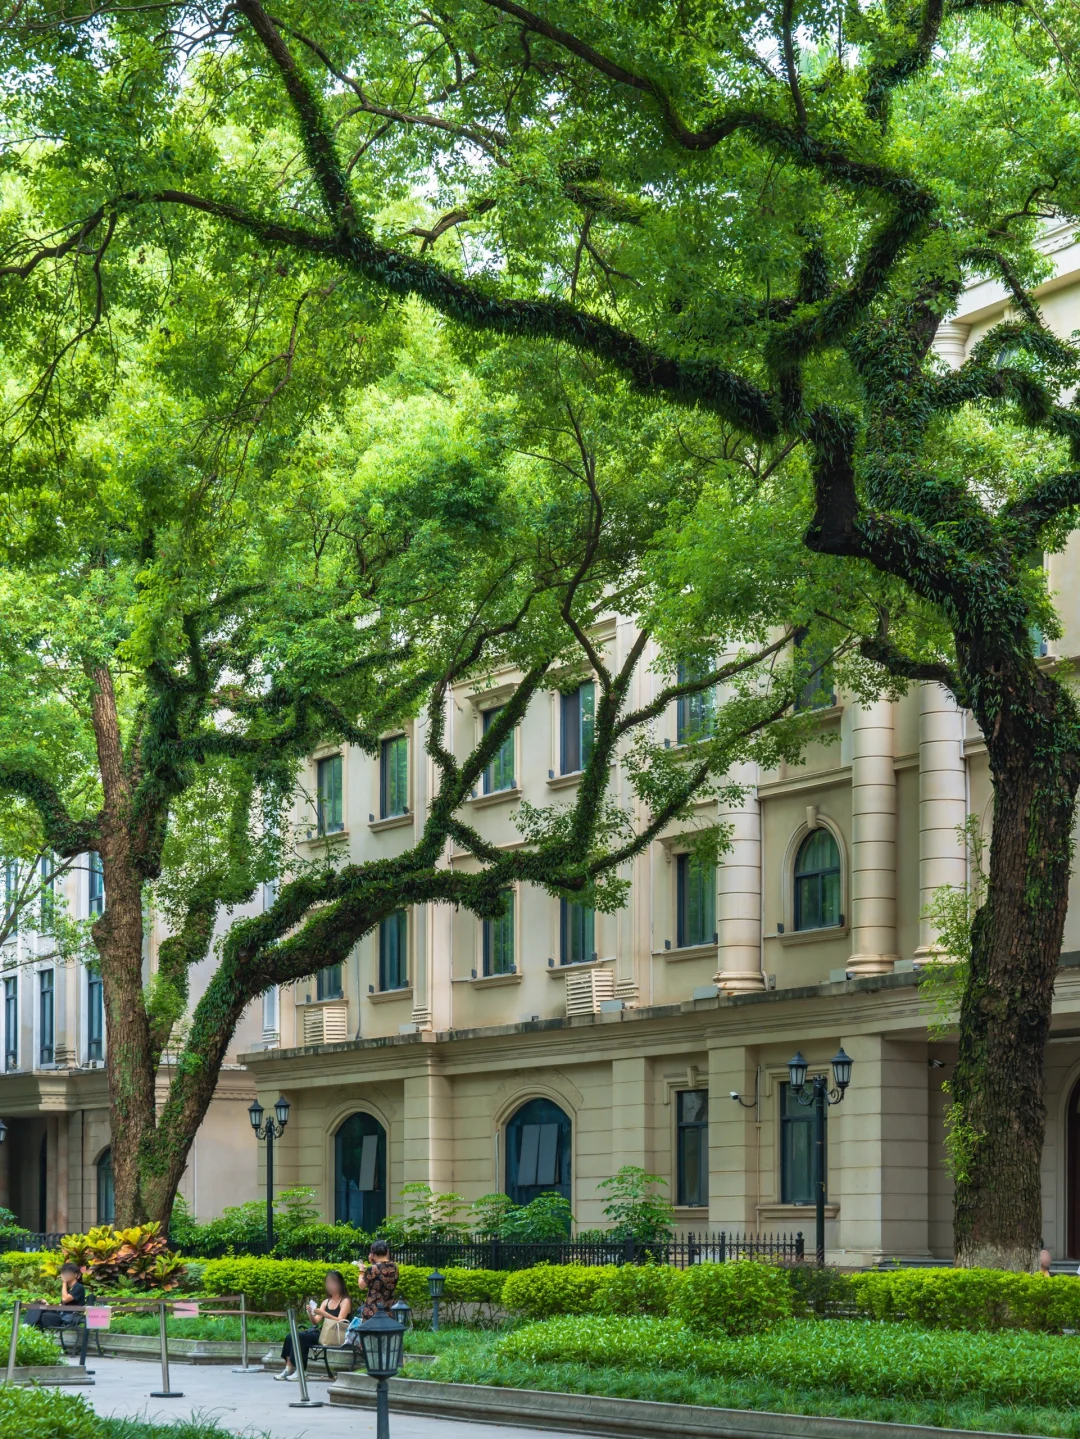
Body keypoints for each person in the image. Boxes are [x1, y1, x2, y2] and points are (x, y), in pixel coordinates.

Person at [275, 1269, 352, 1381]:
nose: (330, 1286)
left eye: (332, 1283)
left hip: (336, 1335)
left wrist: (324, 1314)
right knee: (291, 1336)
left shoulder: (345, 1301)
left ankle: (301, 1371)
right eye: (328, 1283)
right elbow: (315, 1322)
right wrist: (310, 1313)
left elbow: (341, 1320)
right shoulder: (326, 1301)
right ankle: (289, 1368)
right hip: (323, 1333)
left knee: (301, 1337)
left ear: (340, 1284)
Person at [30, 1262, 86, 1329]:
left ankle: (33, 1326)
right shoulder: (68, 1289)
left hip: (69, 1318)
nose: (65, 1275)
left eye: (68, 1273)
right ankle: (26, 1325)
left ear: (75, 1275)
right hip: (61, 1314)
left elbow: (65, 1299)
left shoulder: (79, 1287)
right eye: (64, 1273)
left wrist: (64, 1283)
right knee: (37, 1304)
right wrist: (48, 1305)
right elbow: (61, 1305)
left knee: (45, 1316)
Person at [357, 1240, 399, 1319]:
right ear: (387, 1251)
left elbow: (361, 1286)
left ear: (372, 1254)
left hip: (372, 1310)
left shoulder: (372, 1269)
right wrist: (373, 1263)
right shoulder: (395, 1267)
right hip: (388, 1309)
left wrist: (361, 1271)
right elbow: (381, 1273)